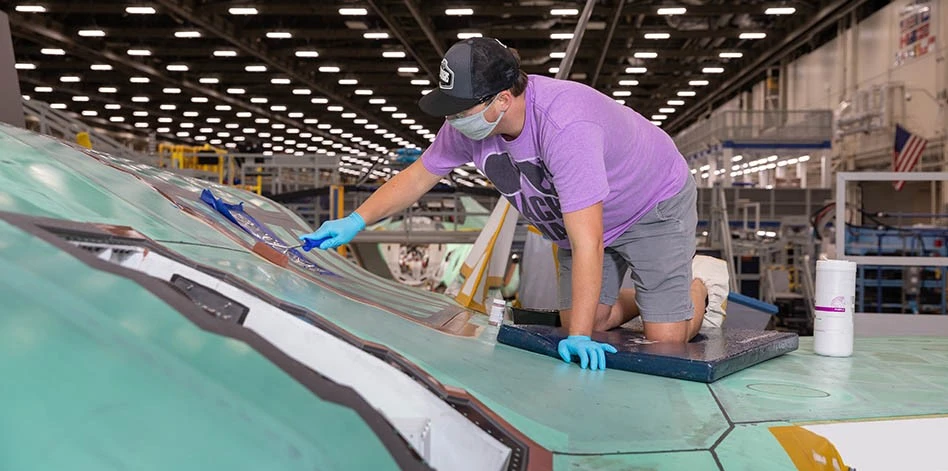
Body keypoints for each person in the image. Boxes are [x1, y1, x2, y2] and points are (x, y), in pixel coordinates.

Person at [299, 37, 730, 371]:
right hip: (583, 222)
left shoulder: (565, 127)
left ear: (503, 99)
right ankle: (648, 296)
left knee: (666, 340)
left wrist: (578, 338)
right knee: (588, 321)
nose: (452, 120)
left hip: (650, 203)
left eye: (460, 109)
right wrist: (356, 219)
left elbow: (589, 242)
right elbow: (418, 177)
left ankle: (697, 285)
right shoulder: (468, 125)